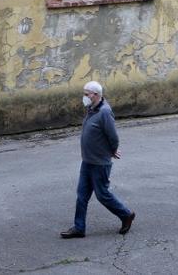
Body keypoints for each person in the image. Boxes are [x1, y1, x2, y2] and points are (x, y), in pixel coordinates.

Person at [59, 81, 135, 239]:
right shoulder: (91, 109)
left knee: (102, 195)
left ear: (96, 95)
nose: (84, 97)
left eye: (87, 94)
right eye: (84, 94)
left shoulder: (105, 112)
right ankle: (79, 228)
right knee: (81, 195)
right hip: (87, 161)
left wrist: (112, 150)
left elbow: (113, 136)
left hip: (100, 163)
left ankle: (126, 215)